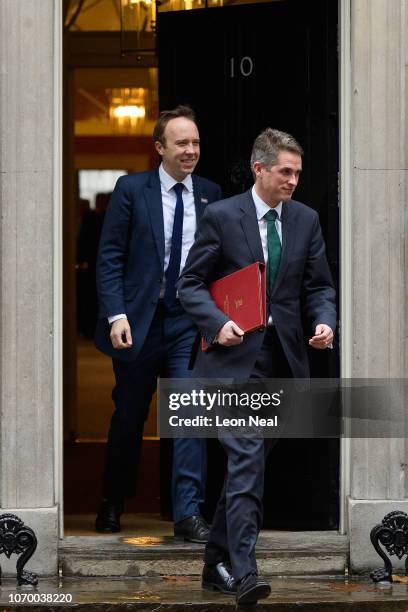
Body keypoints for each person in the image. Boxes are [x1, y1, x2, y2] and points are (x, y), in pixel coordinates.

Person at [178, 128, 336, 605]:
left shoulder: (305, 220)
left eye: (297, 174)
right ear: (259, 169)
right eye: (285, 172)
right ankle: (244, 571)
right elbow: (190, 284)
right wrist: (218, 322)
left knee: (249, 466)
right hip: (231, 360)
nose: (293, 181)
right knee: (246, 460)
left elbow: (318, 286)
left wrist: (325, 321)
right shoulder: (222, 216)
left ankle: (214, 565)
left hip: (285, 362)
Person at [94, 105, 222, 541]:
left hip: (189, 323)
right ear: (159, 147)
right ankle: (113, 499)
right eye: (182, 143)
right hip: (137, 324)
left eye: (196, 143)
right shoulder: (131, 190)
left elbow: (221, 263)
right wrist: (116, 315)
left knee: (189, 415)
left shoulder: (211, 193)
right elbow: (110, 257)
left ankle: (188, 513)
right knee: (129, 417)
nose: (191, 151)